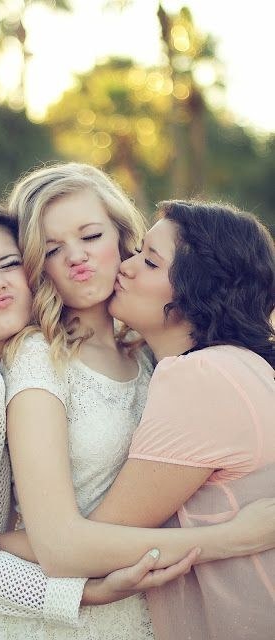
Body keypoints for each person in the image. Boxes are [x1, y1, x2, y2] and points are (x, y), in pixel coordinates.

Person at [0, 175, 275, 638]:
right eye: (52, 248)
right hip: (49, 618)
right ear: (37, 263)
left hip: (136, 604)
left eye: (92, 236)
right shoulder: (39, 357)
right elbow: (59, 538)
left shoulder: (150, 354)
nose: (76, 257)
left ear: (122, 239)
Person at [100, 199, 275, 639]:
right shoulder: (244, 366)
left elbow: (100, 541)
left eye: (151, 262)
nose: (127, 266)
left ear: (193, 294)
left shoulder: (202, 376)